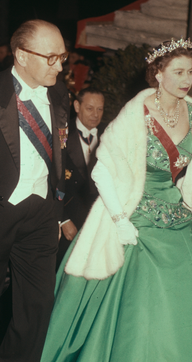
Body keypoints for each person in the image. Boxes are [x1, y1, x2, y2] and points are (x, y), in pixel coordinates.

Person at [37, 38, 192, 362]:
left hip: (177, 208)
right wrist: (120, 219)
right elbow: (102, 169)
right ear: (158, 73)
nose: (186, 80)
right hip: (134, 209)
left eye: (190, 72)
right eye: (178, 72)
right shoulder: (137, 113)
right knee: (147, 279)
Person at [0, 19, 69, 362]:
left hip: (41, 212)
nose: (60, 66)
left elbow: (62, 158)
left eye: (62, 56)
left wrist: (57, 211)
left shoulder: (59, 98)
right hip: (0, 208)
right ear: (21, 55)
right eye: (51, 57)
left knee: (37, 301)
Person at [57, 87, 105, 268]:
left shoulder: (109, 133)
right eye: (90, 108)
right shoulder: (60, 133)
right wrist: (63, 219)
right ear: (77, 106)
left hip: (100, 217)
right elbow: (50, 181)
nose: (95, 114)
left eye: (100, 109)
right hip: (70, 218)